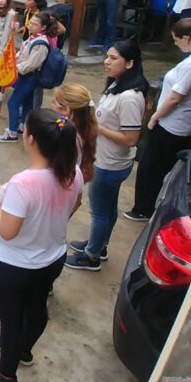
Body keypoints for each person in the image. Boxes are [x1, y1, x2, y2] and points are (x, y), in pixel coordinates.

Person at [0, 109, 82, 382]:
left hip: (14, 264)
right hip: (52, 256)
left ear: (31, 139)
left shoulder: (24, 183)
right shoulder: (73, 173)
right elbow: (75, 205)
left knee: (10, 318)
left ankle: (6, 374)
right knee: (37, 307)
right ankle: (22, 349)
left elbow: (7, 230)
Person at [125, 18, 191, 222]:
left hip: (173, 123)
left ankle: (143, 208)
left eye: (177, 40)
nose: (176, 44)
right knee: (170, 166)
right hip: (189, 120)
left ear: (187, 37)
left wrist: (155, 117)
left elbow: (176, 98)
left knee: (151, 167)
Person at [66, 40, 148, 271]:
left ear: (130, 63)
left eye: (113, 58)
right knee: (108, 208)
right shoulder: (116, 85)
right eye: (107, 57)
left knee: (100, 212)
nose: (107, 62)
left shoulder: (130, 97)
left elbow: (131, 138)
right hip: (106, 158)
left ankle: (91, 256)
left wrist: (96, 127)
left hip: (110, 164)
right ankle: (98, 245)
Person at [0, 12, 55, 143]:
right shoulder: (33, 37)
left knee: (13, 102)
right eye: (30, 22)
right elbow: (22, 54)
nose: (30, 25)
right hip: (25, 75)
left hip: (29, 76)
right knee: (27, 102)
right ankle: (23, 126)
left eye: (34, 24)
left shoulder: (41, 43)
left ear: (43, 27)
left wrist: (15, 68)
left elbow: (32, 64)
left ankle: (12, 133)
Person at [51, 83, 97, 183]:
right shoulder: (87, 126)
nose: (52, 106)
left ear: (65, 110)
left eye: (54, 102)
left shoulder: (66, 136)